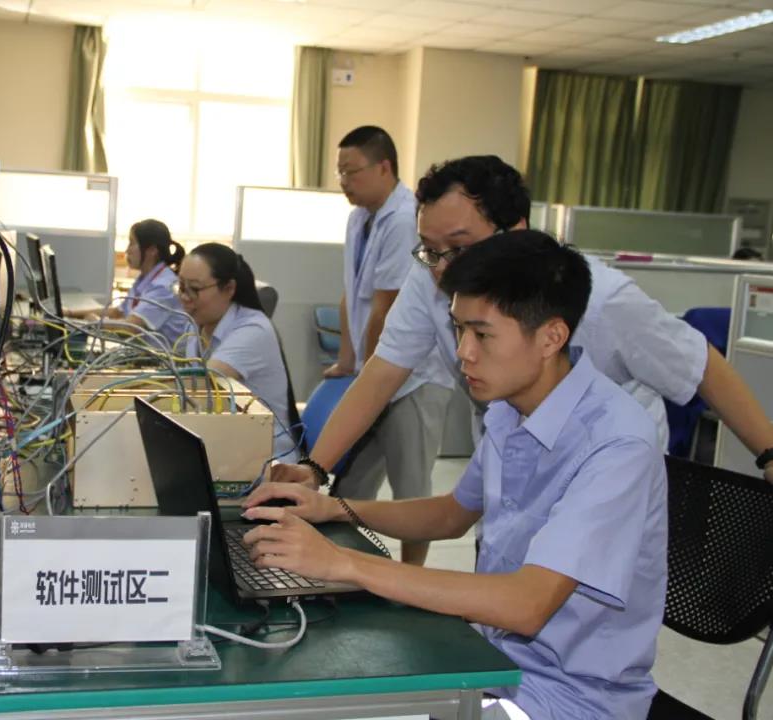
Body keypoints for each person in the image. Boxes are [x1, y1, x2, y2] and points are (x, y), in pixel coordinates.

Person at [243, 231, 667, 719]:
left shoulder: (616, 445)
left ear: (552, 337)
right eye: (459, 329)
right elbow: (451, 513)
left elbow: (527, 605)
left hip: (566, 698)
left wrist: (344, 562)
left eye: (482, 334)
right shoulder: (511, 410)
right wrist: (334, 508)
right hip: (490, 660)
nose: (464, 351)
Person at [274, 155, 773, 487]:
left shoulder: (602, 299)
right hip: (509, 457)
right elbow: (382, 373)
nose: (443, 268)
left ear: (515, 231)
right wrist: (315, 469)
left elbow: (700, 365)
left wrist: (769, 456)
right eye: (430, 249)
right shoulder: (430, 277)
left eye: (460, 247)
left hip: (606, 472)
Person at [327, 126, 454, 566]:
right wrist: (347, 361)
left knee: (411, 489)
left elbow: (384, 307)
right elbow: (352, 291)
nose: (344, 181)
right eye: (340, 172)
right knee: (351, 484)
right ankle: (334, 566)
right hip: (375, 373)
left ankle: (411, 576)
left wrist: (368, 376)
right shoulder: (359, 217)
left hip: (414, 378)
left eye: (352, 171)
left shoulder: (404, 219)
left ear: (384, 167)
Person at [179, 243, 300, 462]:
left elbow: (203, 386)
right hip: (225, 443)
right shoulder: (195, 324)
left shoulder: (253, 330)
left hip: (268, 459)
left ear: (229, 288)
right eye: (181, 286)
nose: (185, 297)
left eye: (194, 289)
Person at [66, 219, 191, 350]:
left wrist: (95, 322)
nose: (127, 250)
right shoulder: (145, 279)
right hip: (145, 353)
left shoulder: (163, 286)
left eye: (132, 243)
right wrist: (70, 313)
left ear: (152, 250)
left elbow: (131, 328)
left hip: (166, 359)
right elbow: (117, 312)